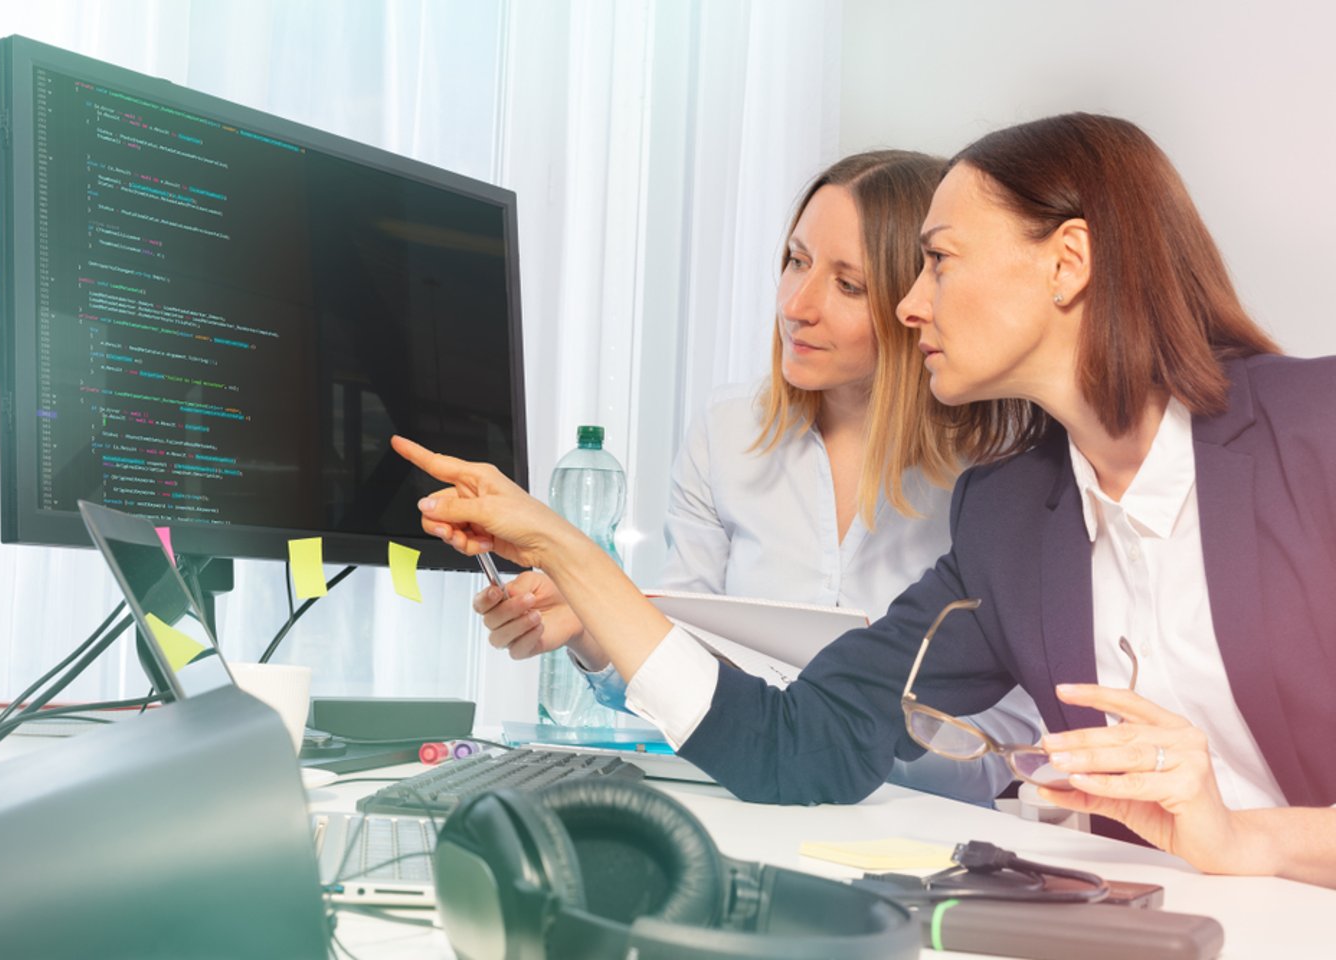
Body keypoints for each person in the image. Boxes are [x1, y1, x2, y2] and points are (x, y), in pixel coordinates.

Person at [394, 113, 1336, 887]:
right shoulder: (1009, 519)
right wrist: (571, 553)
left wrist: (1256, 840)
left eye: (938, 261)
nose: (909, 304)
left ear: (1067, 262)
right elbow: (804, 742)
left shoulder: (1315, 432)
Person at [477, 150, 1041, 804]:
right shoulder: (727, 436)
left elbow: (1009, 744)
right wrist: (592, 627)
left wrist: (822, 742)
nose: (798, 305)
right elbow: (678, 656)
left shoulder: (999, 472)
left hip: (920, 836)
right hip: (749, 803)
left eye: (848, 285)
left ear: (916, 302)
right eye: (797, 261)